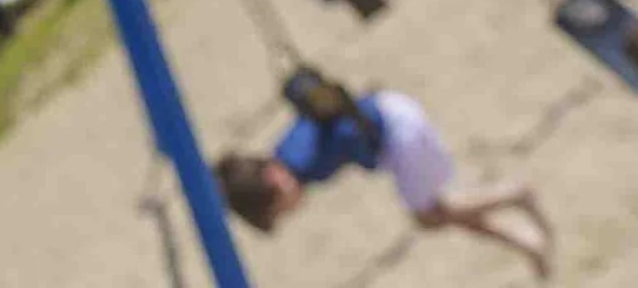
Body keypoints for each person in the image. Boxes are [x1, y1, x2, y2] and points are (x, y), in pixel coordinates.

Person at [216, 89, 554, 279]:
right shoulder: (289, 156)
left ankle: (516, 197)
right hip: (392, 117)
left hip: (396, 135)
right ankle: (526, 243)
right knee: (440, 215)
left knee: (431, 215)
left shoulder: (302, 161)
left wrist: (367, 154)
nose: (293, 210)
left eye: (282, 208)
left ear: (275, 180)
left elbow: (345, 129)